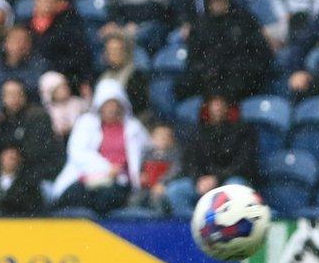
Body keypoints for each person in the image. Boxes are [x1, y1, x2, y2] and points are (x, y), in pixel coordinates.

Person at [52, 78, 150, 215]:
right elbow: (77, 152)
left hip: (119, 181)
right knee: (71, 196)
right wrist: (107, 168)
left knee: (105, 200)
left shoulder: (134, 127)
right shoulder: (86, 123)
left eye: (114, 103)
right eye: (107, 104)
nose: (111, 108)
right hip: (87, 178)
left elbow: (149, 151)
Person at [165, 95, 258, 217]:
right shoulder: (199, 132)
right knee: (175, 190)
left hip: (229, 180)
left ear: (228, 107)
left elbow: (244, 163)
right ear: (208, 107)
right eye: (214, 104)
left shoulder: (243, 131)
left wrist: (217, 178)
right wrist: (198, 178)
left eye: (220, 103)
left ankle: (227, 227)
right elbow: (190, 161)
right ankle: (195, 224)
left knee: (236, 187)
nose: (217, 107)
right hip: (202, 182)